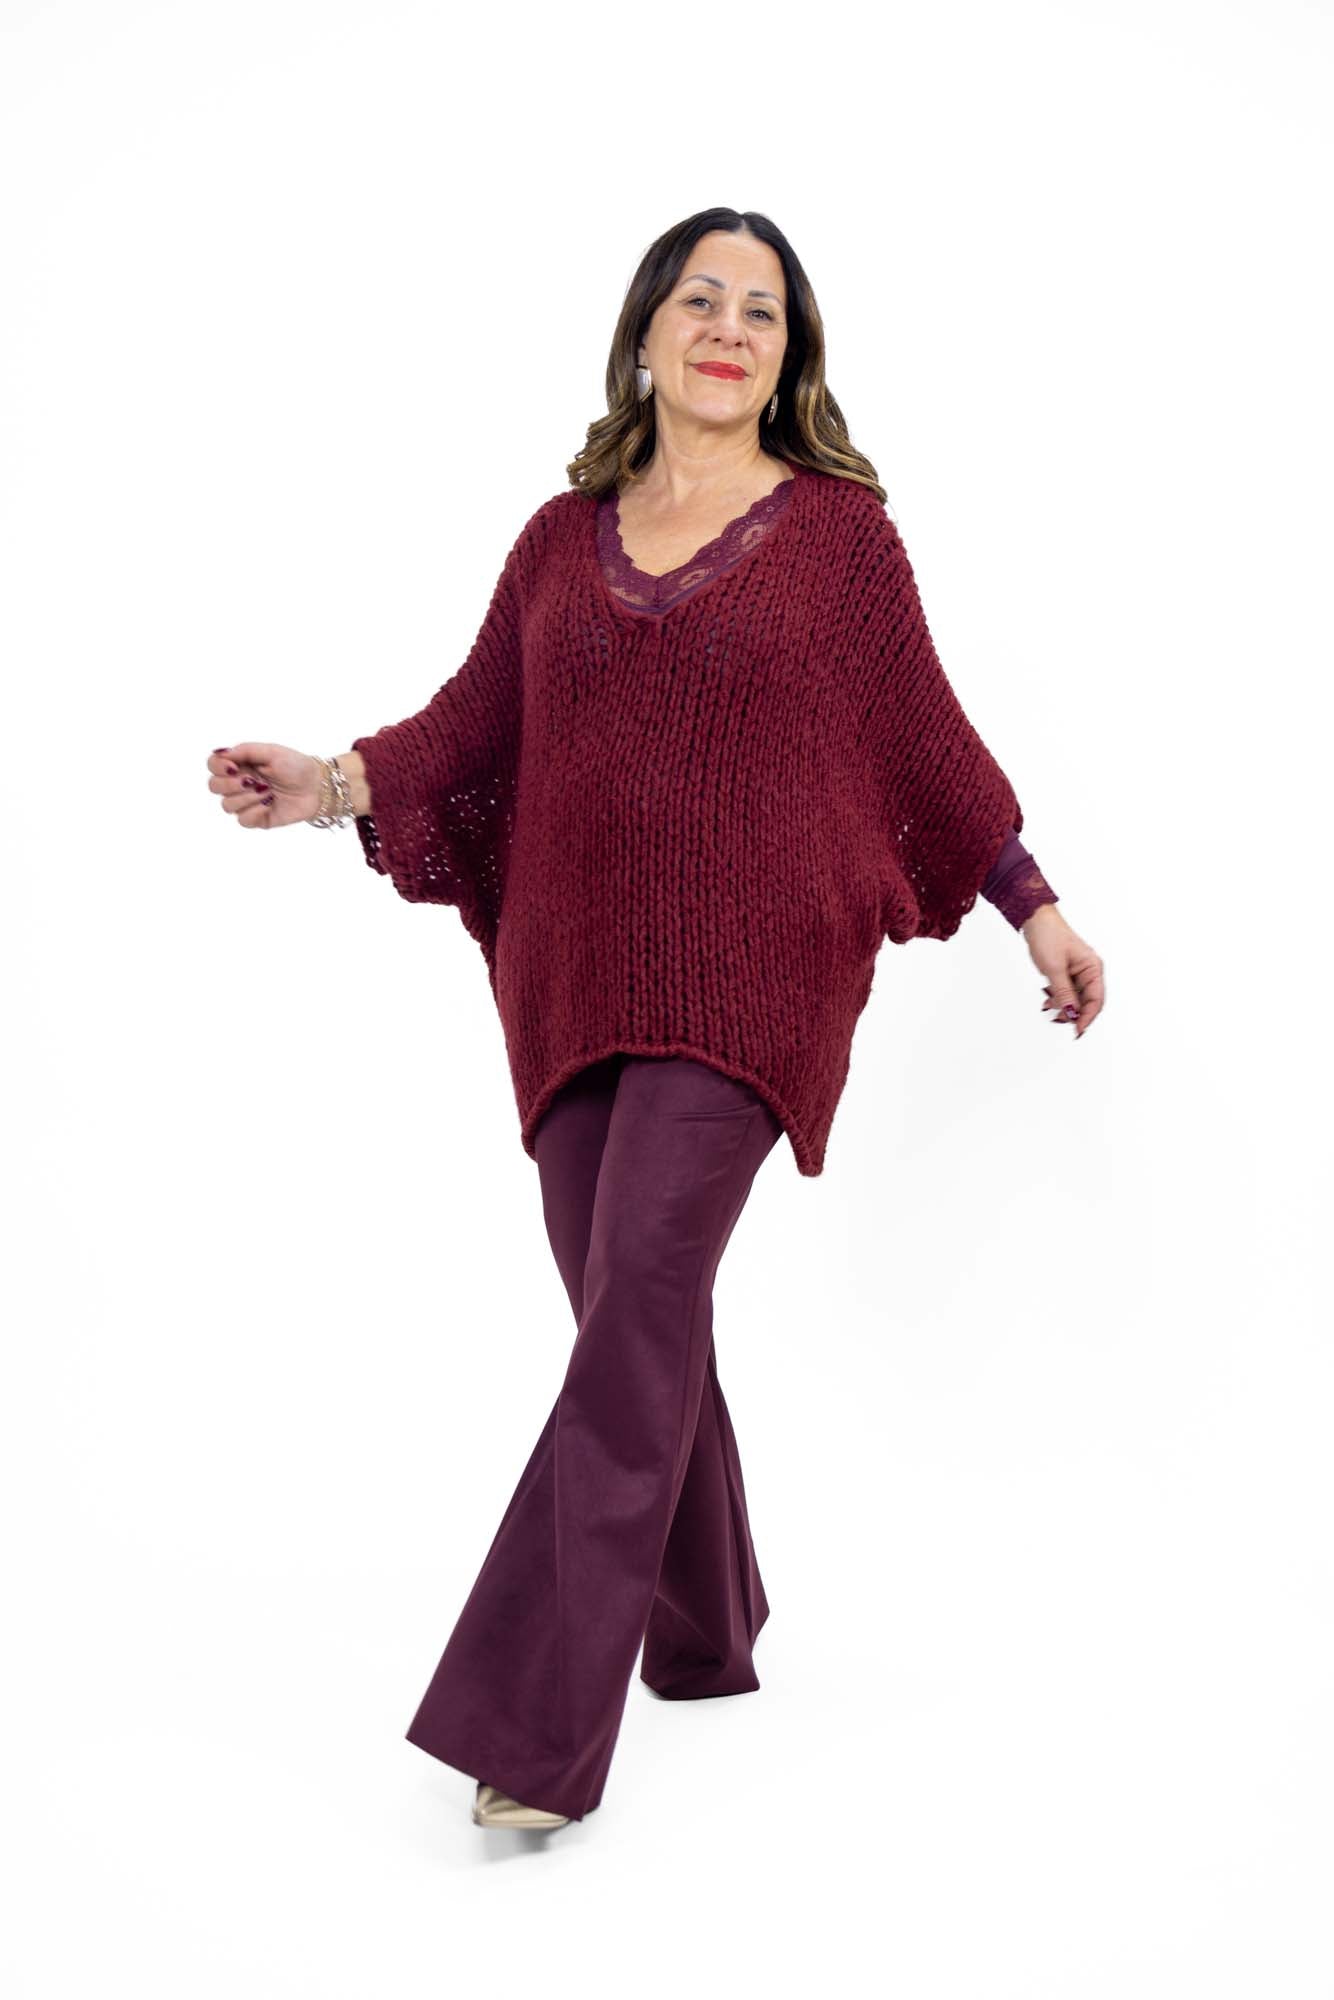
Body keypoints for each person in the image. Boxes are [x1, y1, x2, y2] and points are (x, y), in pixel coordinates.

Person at [206, 207, 1106, 1833]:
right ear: (644, 333)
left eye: (761, 310)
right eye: (699, 299)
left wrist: (1031, 904)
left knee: (635, 1305)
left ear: (789, 354)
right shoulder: (560, 540)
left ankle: (533, 1730)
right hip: (573, 977)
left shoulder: (839, 543)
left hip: (750, 980)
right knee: (633, 1306)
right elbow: (472, 724)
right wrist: (326, 785)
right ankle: (704, 1630)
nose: (727, 328)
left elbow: (925, 740)